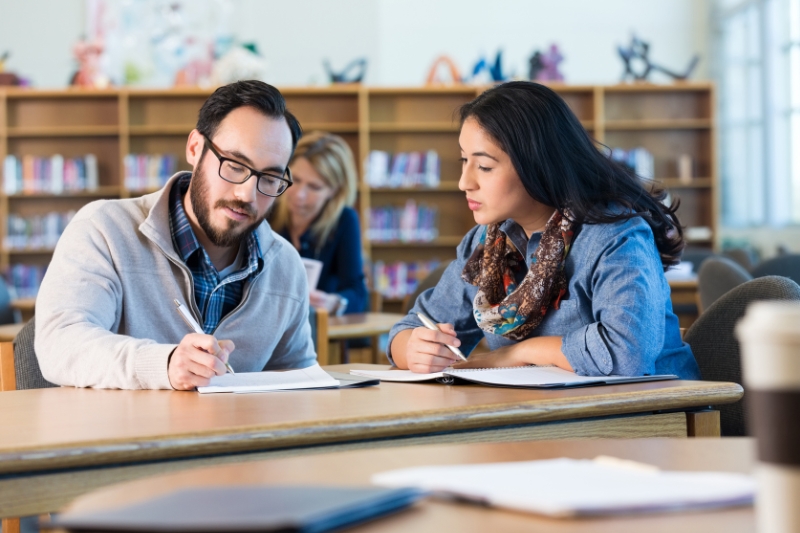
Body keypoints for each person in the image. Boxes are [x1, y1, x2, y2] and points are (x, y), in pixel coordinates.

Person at [388, 81, 700, 379]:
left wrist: (516, 355)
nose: (464, 182)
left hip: (653, 415)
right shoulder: (487, 245)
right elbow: (410, 327)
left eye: (484, 166)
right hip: (548, 417)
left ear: (536, 164)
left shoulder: (616, 236)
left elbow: (626, 353)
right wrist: (414, 348)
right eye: (464, 161)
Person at [35, 80, 316, 390]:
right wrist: (164, 364)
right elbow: (59, 344)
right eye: (235, 165)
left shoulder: (285, 266)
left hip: (235, 437)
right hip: (125, 435)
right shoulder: (104, 229)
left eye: (270, 177)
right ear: (195, 148)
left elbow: (297, 380)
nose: (247, 194)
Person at [269, 131, 368, 316]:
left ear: (334, 190)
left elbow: (357, 292)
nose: (299, 194)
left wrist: (334, 302)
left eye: (314, 187)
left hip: (318, 330)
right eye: (295, 180)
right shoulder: (268, 210)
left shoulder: (344, 220)